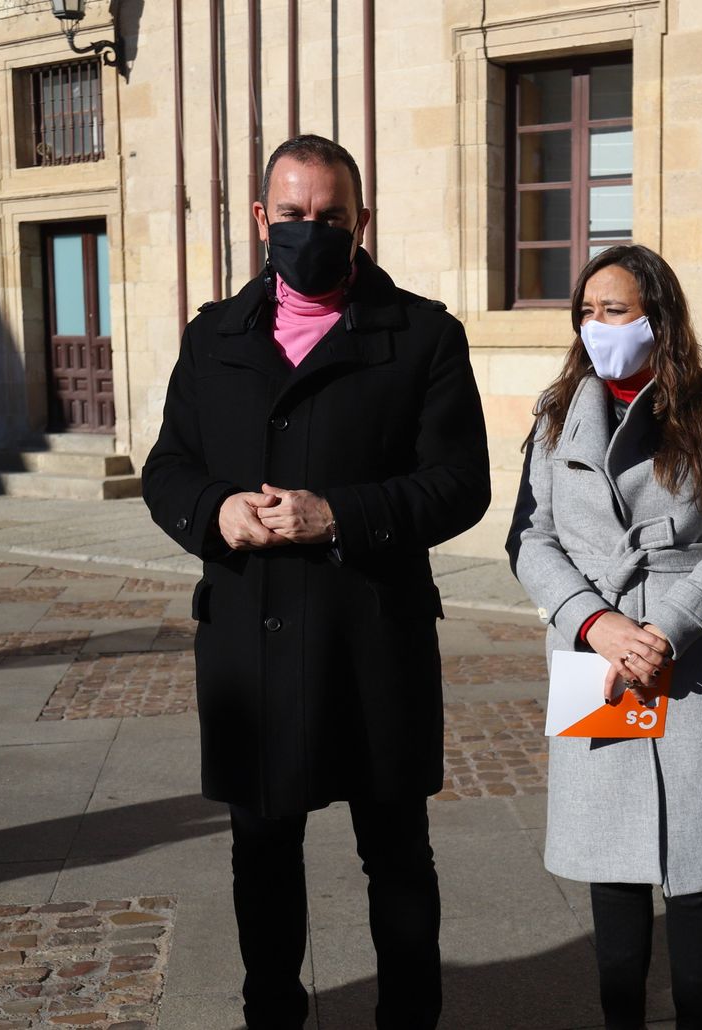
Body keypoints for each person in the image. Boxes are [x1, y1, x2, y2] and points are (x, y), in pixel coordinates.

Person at [141, 134, 490, 1029]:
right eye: (292, 215)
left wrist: (337, 514)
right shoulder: (213, 334)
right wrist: (214, 510)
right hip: (250, 641)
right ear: (262, 220)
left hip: (371, 637)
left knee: (397, 853)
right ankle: (272, 1013)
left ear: (360, 221)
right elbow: (167, 467)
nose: (311, 231)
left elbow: (460, 484)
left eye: (330, 217)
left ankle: (409, 1015)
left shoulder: (423, 335)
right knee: (262, 852)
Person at [507, 244, 702, 1030]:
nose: (596, 327)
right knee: (610, 866)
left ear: (657, 316)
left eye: (613, 311)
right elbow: (530, 538)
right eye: (585, 313)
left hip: (687, 653)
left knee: (699, 866)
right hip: (597, 651)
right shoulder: (556, 411)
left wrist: (668, 626)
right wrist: (597, 623)